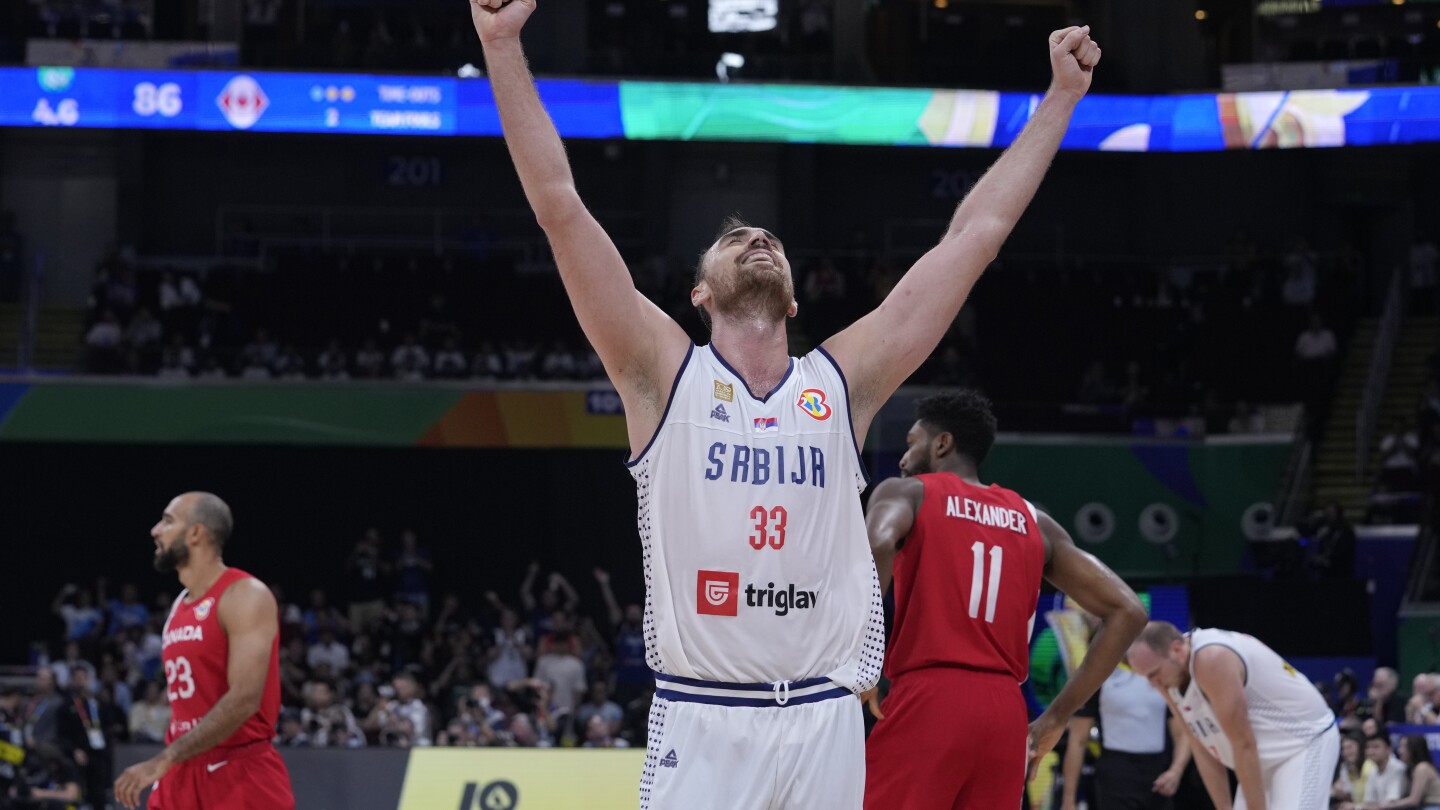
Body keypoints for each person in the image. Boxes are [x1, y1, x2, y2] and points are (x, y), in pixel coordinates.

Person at [468, 0, 1101, 804]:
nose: (756, 238)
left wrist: (1058, 101)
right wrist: (501, 43)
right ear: (701, 293)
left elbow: (976, 235)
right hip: (704, 717)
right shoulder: (660, 374)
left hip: (824, 718)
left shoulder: (841, 383)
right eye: (733, 240)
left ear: (795, 299)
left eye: (767, 239)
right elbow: (559, 205)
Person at [861, 391, 1148, 807]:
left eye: (911, 443)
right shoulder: (1034, 520)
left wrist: (863, 657)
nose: (904, 459)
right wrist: (1057, 718)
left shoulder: (908, 492)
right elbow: (1129, 610)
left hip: (930, 699)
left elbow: (878, 541)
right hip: (1006, 713)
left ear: (941, 444)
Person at [113, 492, 295, 810]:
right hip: (182, 773)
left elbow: (244, 699)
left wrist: (166, 757)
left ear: (196, 533)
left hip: (240, 772)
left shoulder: (245, 594)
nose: (155, 530)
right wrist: (173, 759)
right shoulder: (177, 606)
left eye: (168, 521)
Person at [1128, 621, 1340, 810]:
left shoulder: (1212, 658)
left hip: (1304, 742)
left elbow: (1244, 743)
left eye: (1154, 674)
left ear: (1176, 650)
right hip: (1259, 758)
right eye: (1146, 677)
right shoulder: (1169, 675)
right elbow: (1201, 745)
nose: (1152, 684)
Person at [1376, 734, 1440, 810]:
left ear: (1413, 749)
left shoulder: (1422, 767)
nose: (1399, 750)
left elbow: (1414, 800)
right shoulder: (1409, 769)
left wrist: (1386, 806)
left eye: (1403, 747)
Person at [1334, 732, 1374, 807]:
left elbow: (1371, 803)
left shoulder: (1369, 766)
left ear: (1360, 747)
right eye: (1344, 749)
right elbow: (1352, 798)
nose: (1346, 752)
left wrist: (1353, 806)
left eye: (1350, 747)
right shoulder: (1347, 768)